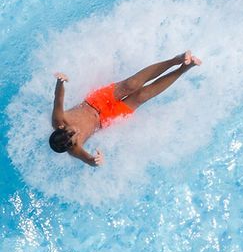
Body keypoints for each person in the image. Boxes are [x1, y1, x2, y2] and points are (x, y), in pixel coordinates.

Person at [48, 51, 202, 166]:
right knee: (142, 96)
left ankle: (176, 60)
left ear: (61, 127)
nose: (76, 132)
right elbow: (88, 160)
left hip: (94, 101)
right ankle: (183, 69)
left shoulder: (58, 119)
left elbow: (58, 98)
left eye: (70, 130)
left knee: (132, 84)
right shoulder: (75, 149)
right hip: (106, 119)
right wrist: (96, 161)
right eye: (75, 136)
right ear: (72, 144)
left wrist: (61, 82)